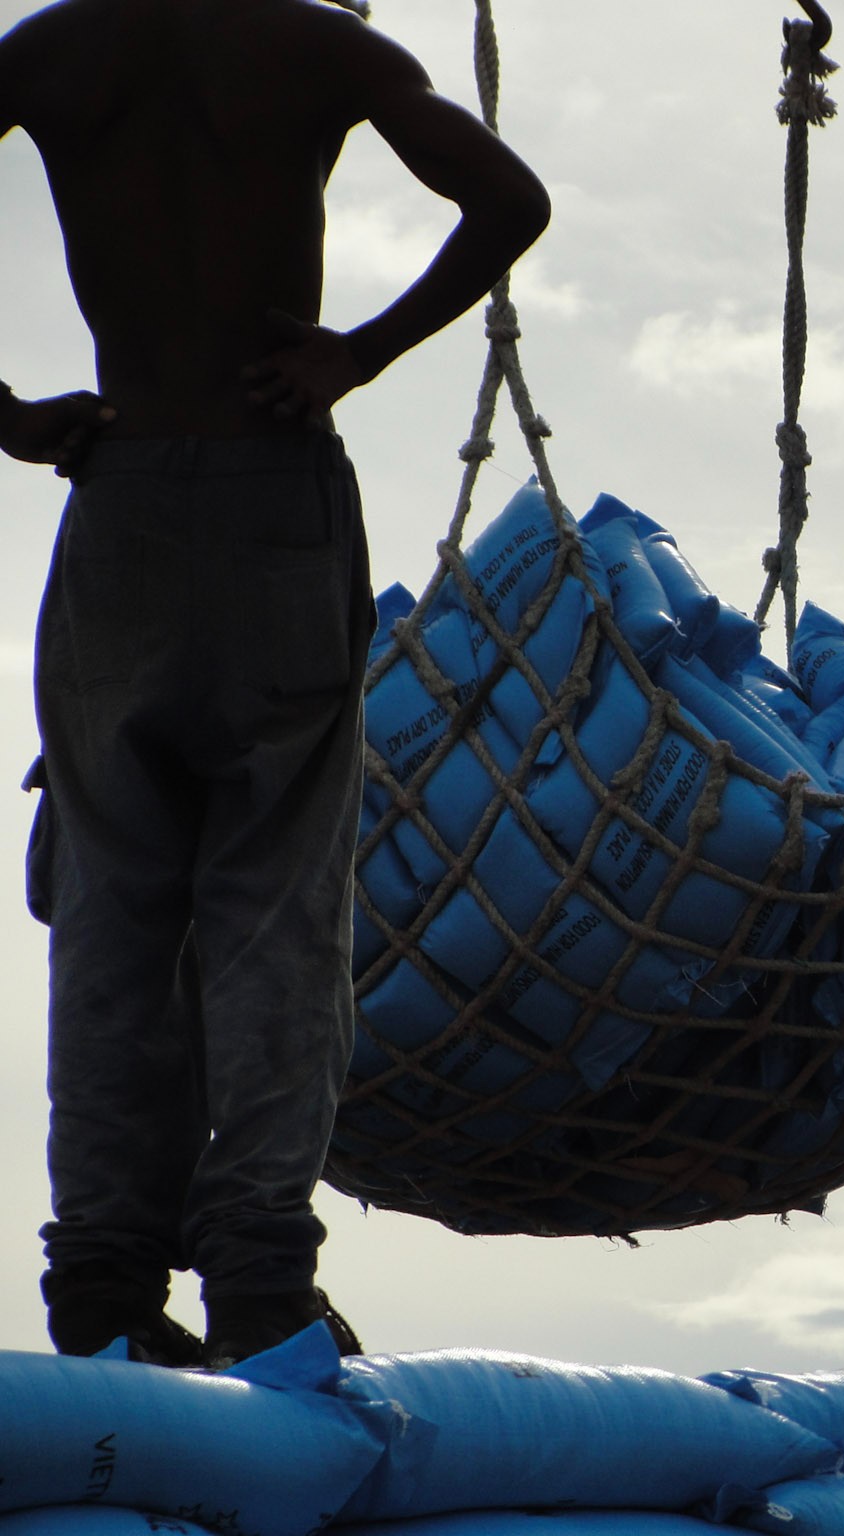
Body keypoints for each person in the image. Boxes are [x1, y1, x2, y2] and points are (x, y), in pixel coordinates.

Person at [0, 0, 550, 1367]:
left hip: (119, 497)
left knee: (112, 909)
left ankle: (106, 1289)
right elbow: (509, 200)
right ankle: (258, 1282)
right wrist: (358, 350)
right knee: (274, 915)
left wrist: (7, 416)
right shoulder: (313, 47)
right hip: (272, 501)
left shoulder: (56, 52)